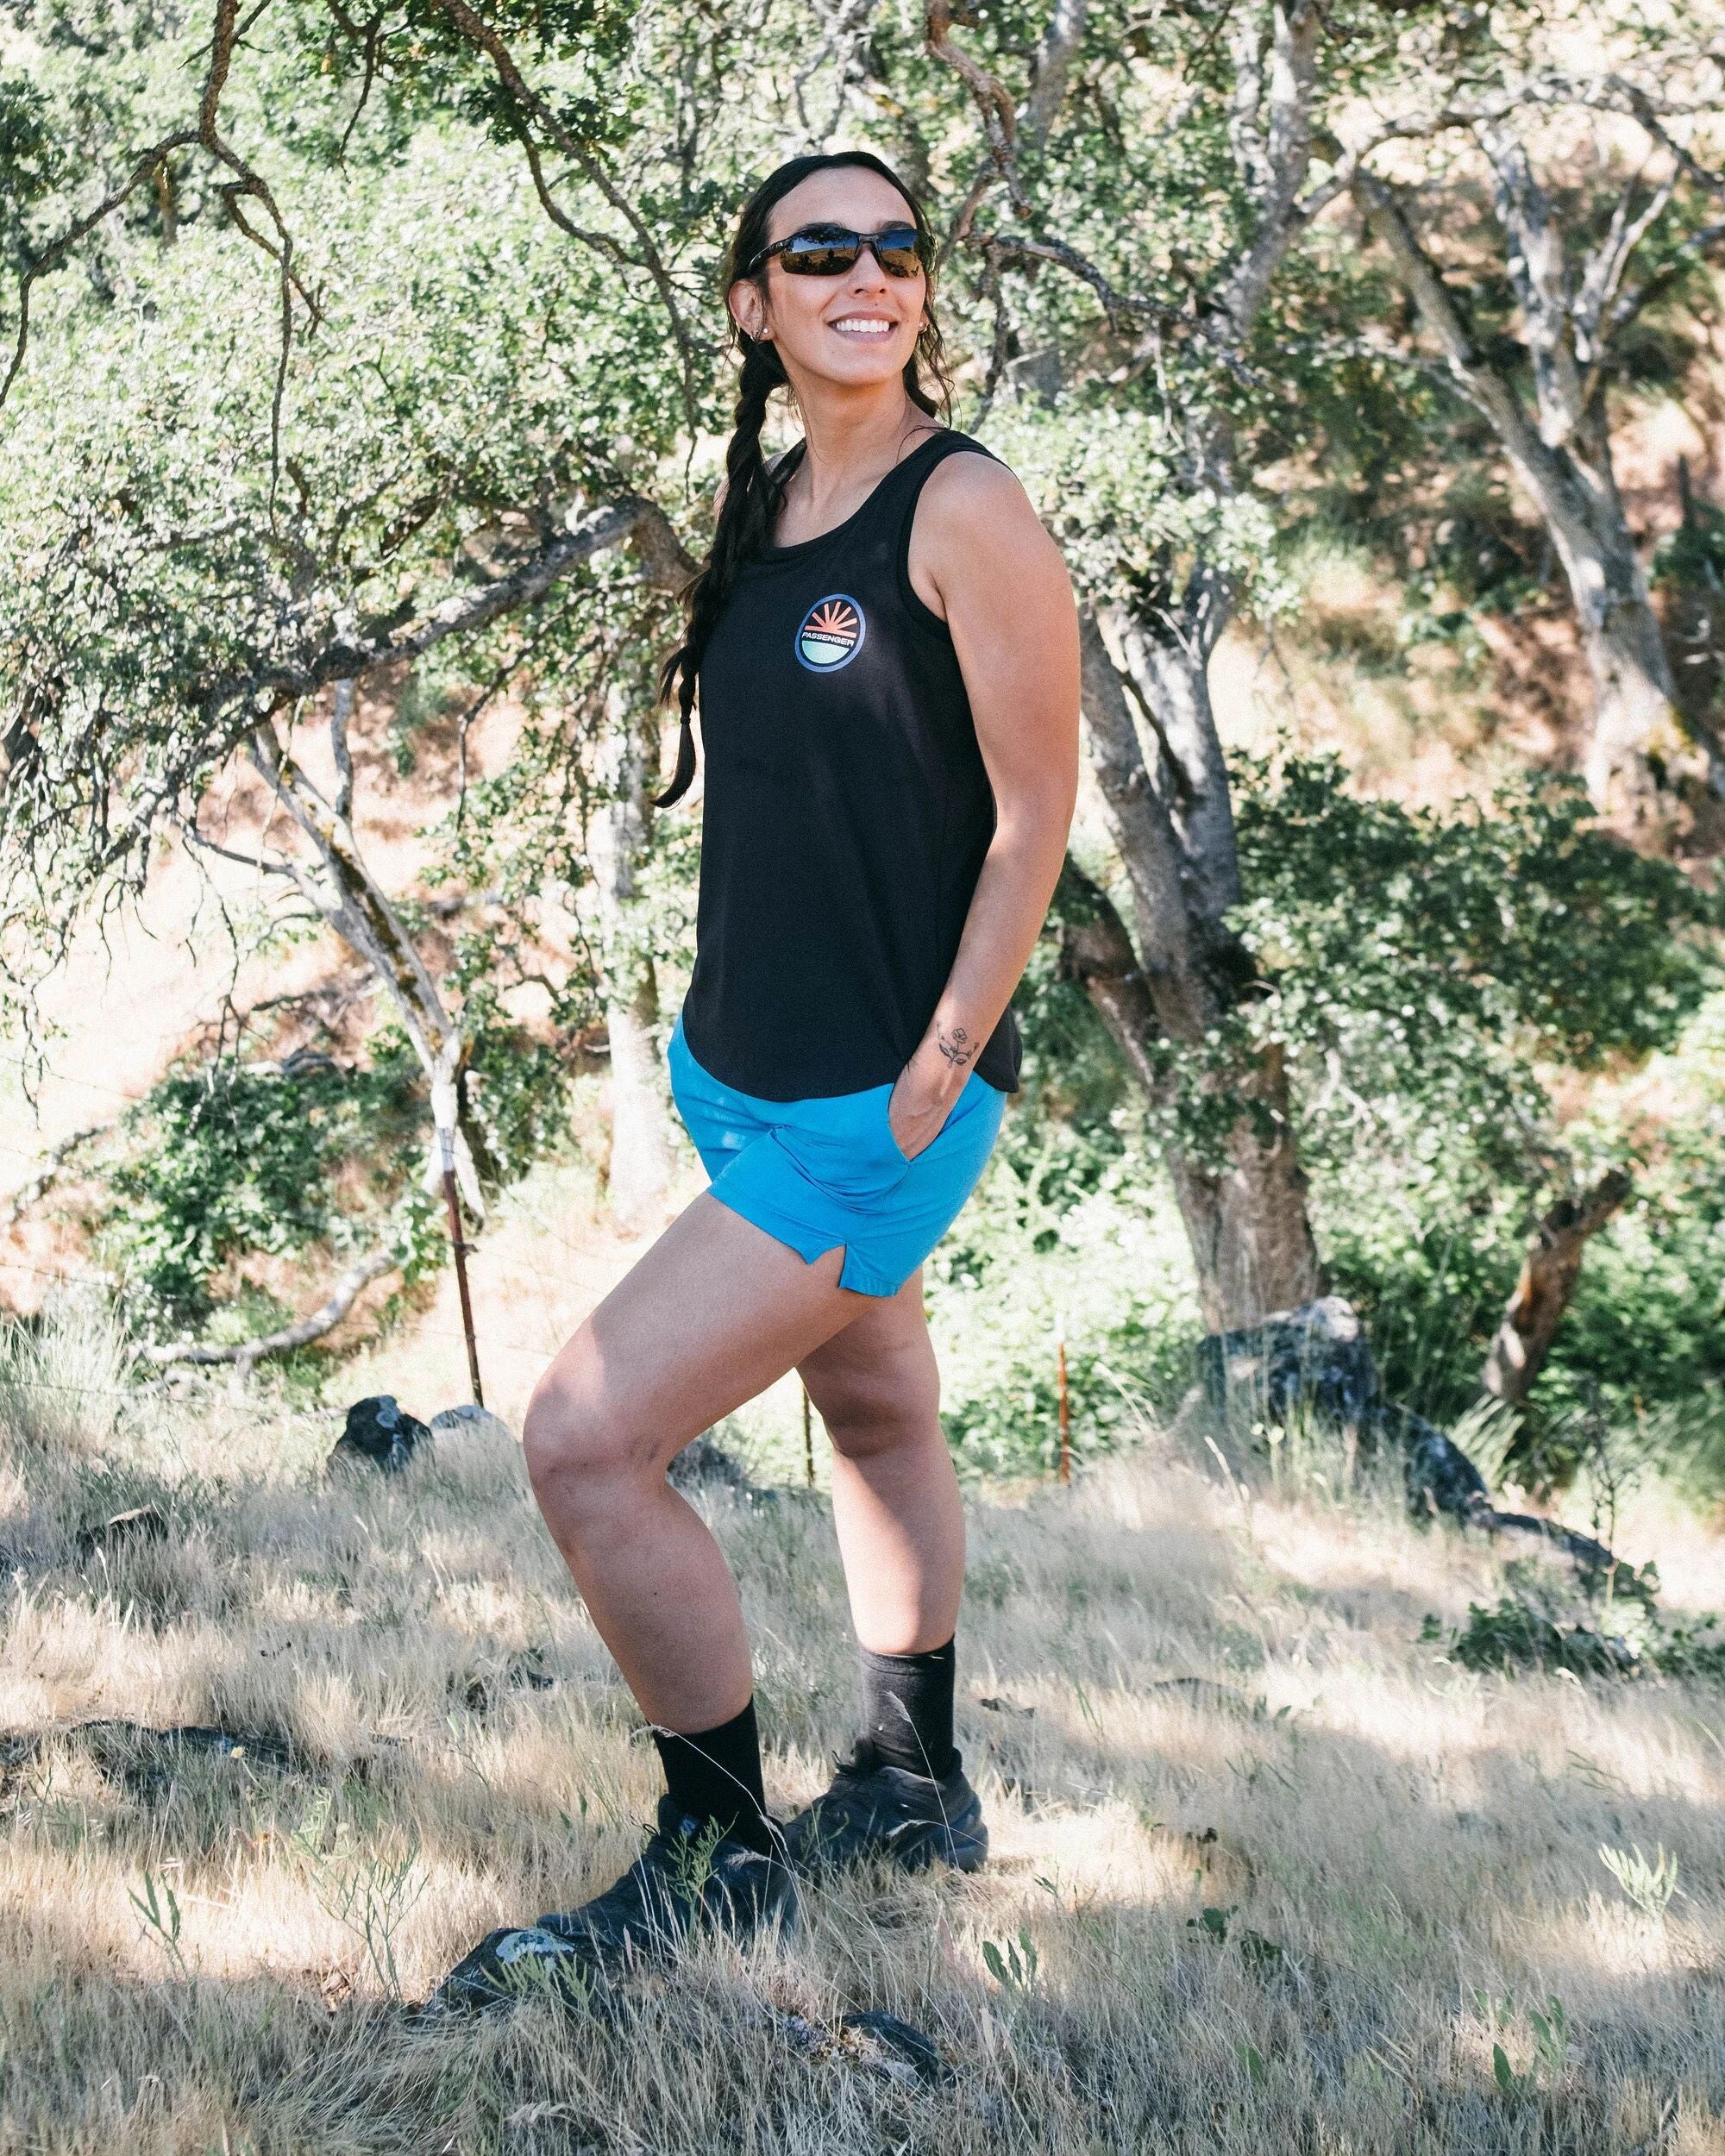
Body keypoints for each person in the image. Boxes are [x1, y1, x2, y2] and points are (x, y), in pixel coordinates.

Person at [430, 148, 1079, 2015]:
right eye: (822, 251)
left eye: (897, 248)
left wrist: (940, 1065)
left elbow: (1035, 814)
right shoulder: (774, 502)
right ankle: (911, 1780)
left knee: (583, 1440)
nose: (867, 275)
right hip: (749, 1075)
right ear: (755, 301)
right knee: (874, 1409)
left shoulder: (965, 505)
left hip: (879, 1102)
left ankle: (717, 1860)